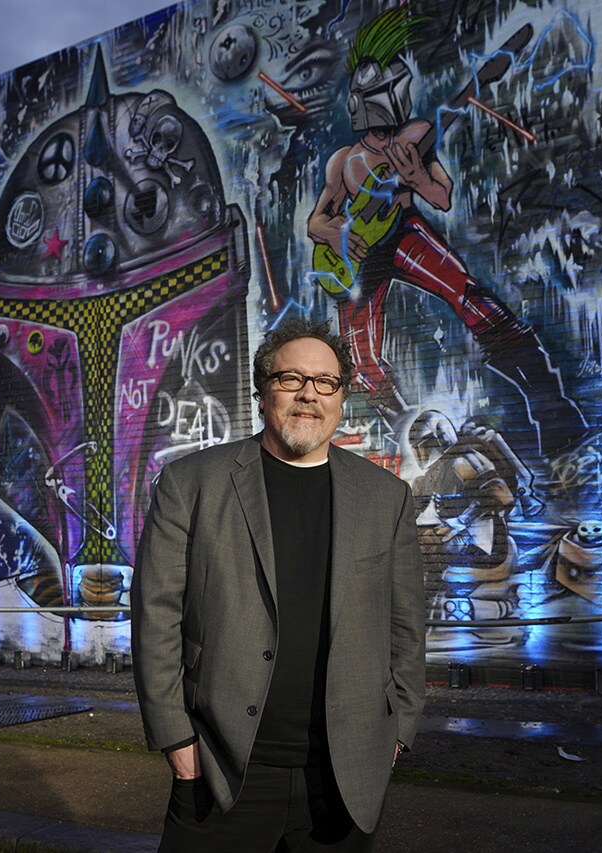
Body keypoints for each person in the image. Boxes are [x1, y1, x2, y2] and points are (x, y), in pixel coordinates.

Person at [133, 317, 426, 851]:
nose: (308, 395)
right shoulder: (190, 485)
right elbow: (156, 616)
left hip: (344, 775)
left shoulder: (387, 498)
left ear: (341, 398)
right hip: (221, 767)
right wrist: (175, 736)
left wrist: (399, 728)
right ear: (262, 394)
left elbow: (405, 625)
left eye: (324, 382)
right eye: (290, 379)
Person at [306, 5, 587, 456]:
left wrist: (415, 177)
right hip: (356, 261)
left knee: (470, 295)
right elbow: (315, 221)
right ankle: (412, 439)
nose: (383, 127)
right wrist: (338, 234)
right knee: (361, 363)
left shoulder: (416, 135)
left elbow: (442, 197)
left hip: (401, 234)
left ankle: (552, 407)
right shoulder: (343, 162)